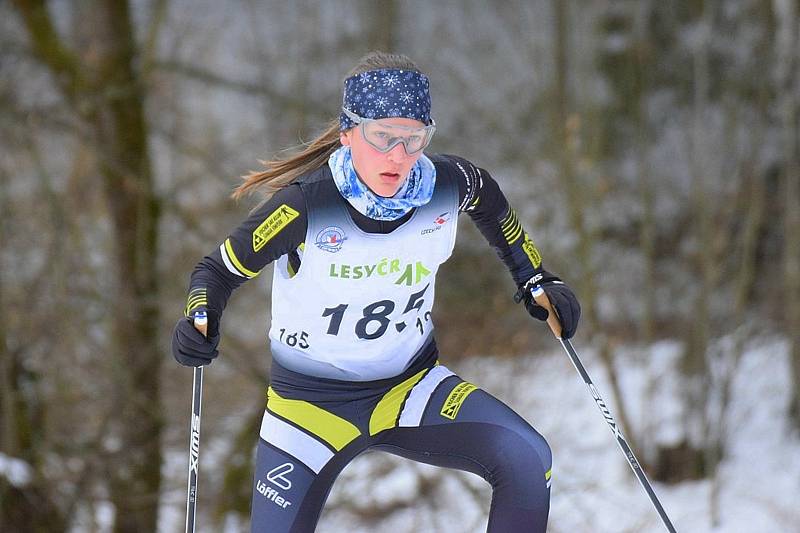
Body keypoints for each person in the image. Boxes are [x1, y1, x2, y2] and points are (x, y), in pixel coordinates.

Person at [172, 51, 580, 533]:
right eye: (383, 137)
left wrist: (536, 278)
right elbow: (216, 271)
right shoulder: (306, 206)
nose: (398, 157)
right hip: (309, 408)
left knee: (529, 460)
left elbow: (496, 212)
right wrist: (200, 318)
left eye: (413, 139)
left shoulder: (451, 183)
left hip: (409, 387)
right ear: (348, 133)